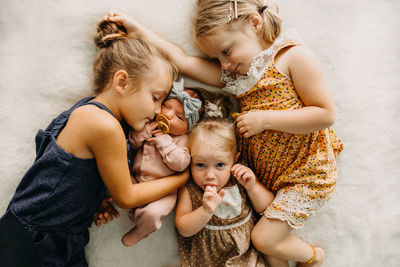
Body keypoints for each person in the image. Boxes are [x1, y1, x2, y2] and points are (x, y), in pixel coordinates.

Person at [105, 0, 343, 265]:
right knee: (270, 253)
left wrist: (265, 120)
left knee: (263, 239)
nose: (225, 64)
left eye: (226, 51)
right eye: (218, 58)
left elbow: (325, 114)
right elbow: (183, 61)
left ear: (254, 23)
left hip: (305, 172)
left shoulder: (292, 57)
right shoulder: (239, 78)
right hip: (264, 181)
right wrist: (138, 31)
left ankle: (313, 257)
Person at [0, 20, 189, 267]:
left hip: (66, 239)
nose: (156, 111)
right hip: (30, 239)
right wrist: (183, 179)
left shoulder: (98, 118)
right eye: (155, 98)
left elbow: (60, 171)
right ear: (121, 82)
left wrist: (90, 200)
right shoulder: (102, 124)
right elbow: (127, 197)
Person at [175, 119, 274, 266]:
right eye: (200, 165)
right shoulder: (190, 189)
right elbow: (183, 228)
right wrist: (205, 210)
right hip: (207, 261)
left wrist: (252, 187)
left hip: (247, 259)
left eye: (220, 165)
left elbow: (267, 207)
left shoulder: (239, 179)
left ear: (234, 160)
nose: (209, 175)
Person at [121, 78, 204, 247]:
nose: (168, 115)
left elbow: (180, 164)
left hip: (163, 194)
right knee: (116, 181)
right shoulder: (149, 124)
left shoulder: (184, 139)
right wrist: (143, 133)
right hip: (136, 181)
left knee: (153, 215)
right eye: (167, 107)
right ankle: (131, 210)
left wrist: (164, 140)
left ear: (188, 128)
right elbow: (132, 145)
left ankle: (140, 231)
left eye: (179, 117)